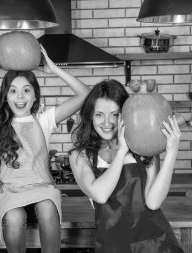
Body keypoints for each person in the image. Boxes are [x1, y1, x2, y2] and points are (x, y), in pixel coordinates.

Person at [0, 45, 90, 253]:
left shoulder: (44, 120)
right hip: (11, 193)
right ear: (5, 96)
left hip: (42, 190)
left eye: (27, 91)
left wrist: (54, 69)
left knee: (48, 209)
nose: (20, 97)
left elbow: (84, 95)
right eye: (13, 91)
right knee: (15, 219)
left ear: (35, 96)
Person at [69, 79, 184, 253]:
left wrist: (171, 152)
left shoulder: (144, 148)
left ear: (125, 115)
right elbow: (100, 194)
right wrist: (122, 150)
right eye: (99, 114)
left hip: (154, 244)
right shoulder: (80, 156)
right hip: (112, 247)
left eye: (115, 115)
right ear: (90, 116)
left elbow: (153, 202)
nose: (107, 122)